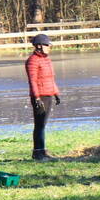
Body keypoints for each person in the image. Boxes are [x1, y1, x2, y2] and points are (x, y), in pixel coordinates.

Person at [25, 33, 60, 161]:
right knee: (39, 124)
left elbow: (51, 78)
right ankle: (38, 152)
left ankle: (42, 150)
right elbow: (32, 81)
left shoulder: (46, 59)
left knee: (43, 124)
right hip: (40, 96)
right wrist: (37, 98)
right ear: (39, 46)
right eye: (47, 45)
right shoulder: (32, 61)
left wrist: (56, 93)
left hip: (48, 94)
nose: (49, 47)